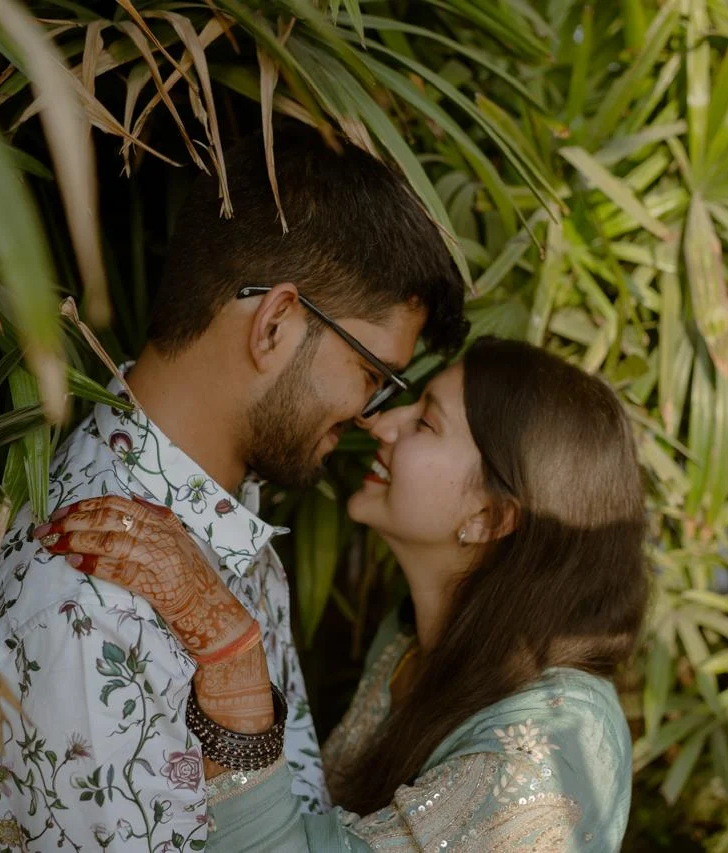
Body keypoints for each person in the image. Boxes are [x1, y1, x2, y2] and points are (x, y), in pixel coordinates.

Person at [0, 126, 467, 851]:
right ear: (275, 324)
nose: (372, 416)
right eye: (374, 375)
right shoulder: (94, 604)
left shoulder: (216, 517)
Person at [32, 337, 649, 851]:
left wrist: (231, 660)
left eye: (426, 422)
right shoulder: (409, 642)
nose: (378, 423)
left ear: (489, 518)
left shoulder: (554, 748)